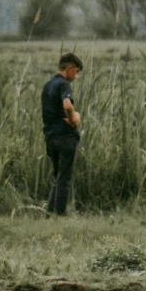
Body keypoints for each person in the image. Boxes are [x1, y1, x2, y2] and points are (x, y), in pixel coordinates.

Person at [41, 52, 84, 214]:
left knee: (57, 177)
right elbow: (67, 105)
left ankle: (50, 213)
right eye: (76, 71)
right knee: (64, 179)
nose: (76, 76)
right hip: (65, 138)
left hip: (50, 137)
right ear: (70, 68)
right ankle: (59, 214)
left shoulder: (47, 85)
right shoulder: (63, 85)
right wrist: (74, 118)